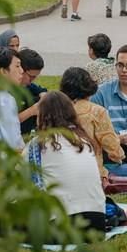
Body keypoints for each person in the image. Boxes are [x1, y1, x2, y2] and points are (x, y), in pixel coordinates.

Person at [22, 92, 106, 234]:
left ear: (42, 116)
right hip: (97, 223)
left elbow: (20, 182)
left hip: (61, 224)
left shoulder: (39, 144)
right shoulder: (83, 140)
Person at [60, 67, 127, 178]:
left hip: (62, 167)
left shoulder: (57, 109)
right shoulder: (97, 111)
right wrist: (119, 157)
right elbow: (111, 145)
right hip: (91, 170)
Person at [0, 46, 25, 152]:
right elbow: (14, 143)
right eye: (17, 66)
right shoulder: (4, 99)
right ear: (3, 71)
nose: (22, 71)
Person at [16, 48, 47, 134]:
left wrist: (44, 97)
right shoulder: (5, 91)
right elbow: (5, 122)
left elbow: (38, 89)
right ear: (20, 70)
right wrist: (31, 111)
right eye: (31, 77)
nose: (32, 81)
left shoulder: (26, 85)